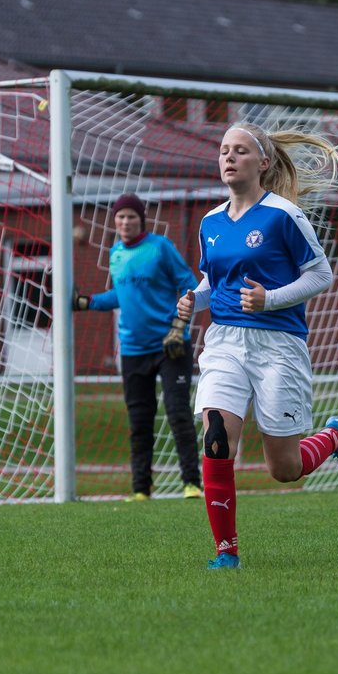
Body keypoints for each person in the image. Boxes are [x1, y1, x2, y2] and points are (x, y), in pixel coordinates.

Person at [177, 121, 338, 570]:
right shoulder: (211, 222)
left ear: (262, 162)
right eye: (224, 150)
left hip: (278, 345)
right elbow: (213, 282)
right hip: (223, 341)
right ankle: (227, 555)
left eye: (240, 151)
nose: (229, 157)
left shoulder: (284, 215)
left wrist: (270, 300)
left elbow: (322, 275)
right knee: (217, 437)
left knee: (283, 469)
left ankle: (335, 435)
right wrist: (193, 299)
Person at [73, 193, 203, 502]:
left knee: (178, 413)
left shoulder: (160, 248)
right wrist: (85, 302)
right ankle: (141, 489)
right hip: (132, 350)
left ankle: (192, 484)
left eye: (131, 216)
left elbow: (189, 285)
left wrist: (178, 326)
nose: (125, 221)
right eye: (120, 217)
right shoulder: (116, 253)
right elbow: (120, 296)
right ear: (115, 222)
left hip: (171, 347)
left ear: (140, 219)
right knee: (139, 421)